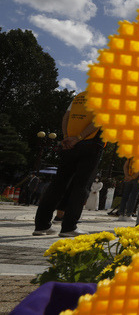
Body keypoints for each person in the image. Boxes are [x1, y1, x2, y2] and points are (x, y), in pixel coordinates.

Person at [33, 91, 104, 237]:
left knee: (58, 184)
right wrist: (79, 138)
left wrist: (66, 137)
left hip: (69, 144)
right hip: (91, 143)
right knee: (81, 186)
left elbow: (66, 116)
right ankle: (69, 227)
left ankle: (41, 225)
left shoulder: (79, 96)